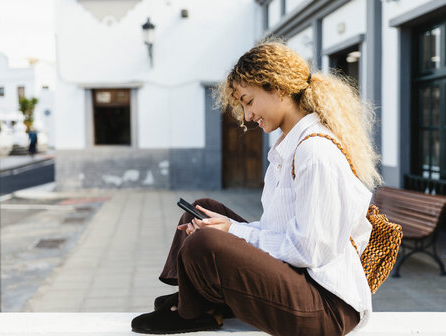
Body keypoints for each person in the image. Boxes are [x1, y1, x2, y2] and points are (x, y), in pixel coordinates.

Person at [131, 41, 381, 336]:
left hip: (325, 307)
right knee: (201, 210)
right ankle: (197, 300)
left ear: (277, 88)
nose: (248, 116)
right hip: (300, 283)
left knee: (205, 242)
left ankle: (192, 312)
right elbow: (279, 231)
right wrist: (228, 227)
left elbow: (308, 251)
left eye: (249, 101)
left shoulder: (315, 152)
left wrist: (232, 232)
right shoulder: (289, 148)